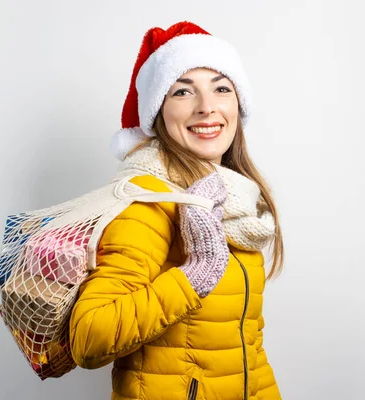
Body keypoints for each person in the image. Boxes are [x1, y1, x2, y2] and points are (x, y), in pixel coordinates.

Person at [69, 21, 284, 399]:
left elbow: (245, 348)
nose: (206, 107)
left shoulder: (238, 200)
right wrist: (194, 274)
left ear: (238, 104)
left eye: (221, 88)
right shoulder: (147, 200)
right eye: (183, 91)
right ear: (158, 113)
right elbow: (88, 337)